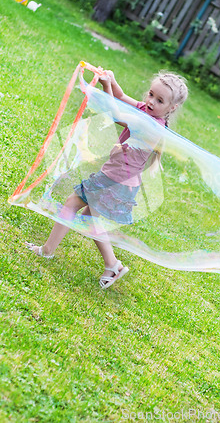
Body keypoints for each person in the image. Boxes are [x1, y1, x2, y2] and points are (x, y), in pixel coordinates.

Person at [26, 69, 189, 289]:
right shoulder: (145, 111)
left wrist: (105, 87)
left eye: (159, 100)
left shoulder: (152, 125)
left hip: (116, 180)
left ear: (172, 108)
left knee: (72, 203)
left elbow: (117, 116)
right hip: (120, 178)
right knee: (89, 219)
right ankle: (112, 266)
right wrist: (111, 81)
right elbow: (121, 98)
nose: (150, 101)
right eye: (151, 94)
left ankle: (47, 251)